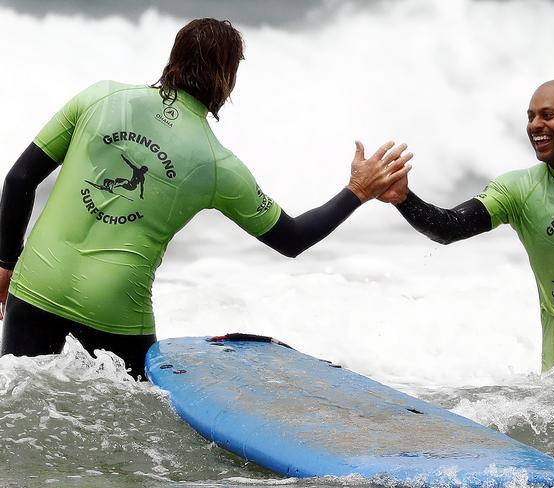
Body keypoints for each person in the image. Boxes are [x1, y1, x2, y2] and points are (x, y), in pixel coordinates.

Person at [0, 18, 412, 379]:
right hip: (115, 306)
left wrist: (4, 263)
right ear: (227, 79)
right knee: (129, 437)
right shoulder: (216, 163)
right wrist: (357, 191)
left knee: (19, 416)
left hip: (35, 283)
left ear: (173, 58)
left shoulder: (99, 97)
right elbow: (291, 238)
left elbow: (19, 178)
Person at [379, 79, 554, 370]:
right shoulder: (519, 189)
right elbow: (449, 227)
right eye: (531, 116)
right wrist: (403, 198)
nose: (535, 125)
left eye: (547, 115)